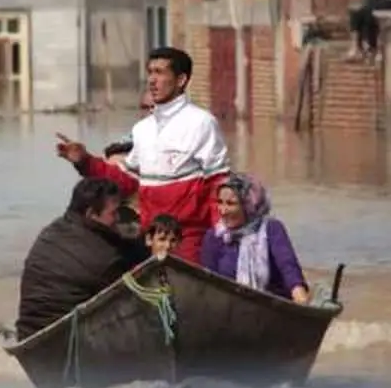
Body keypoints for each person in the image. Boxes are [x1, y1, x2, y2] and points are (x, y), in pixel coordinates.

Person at [55, 46, 230, 264]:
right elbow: (126, 183)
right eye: (150, 72)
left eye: (160, 72)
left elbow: (219, 185)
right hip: (150, 237)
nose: (152, 80)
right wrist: (85, 161)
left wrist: (224, 237)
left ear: (181, 80)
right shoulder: (142, 129)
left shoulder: (201, 123)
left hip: (187, 238)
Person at [14, 177, 146, 341]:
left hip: (28, 331)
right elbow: (131, 291)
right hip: (68, 339)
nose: (118, 218)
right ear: (91, 214)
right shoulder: (105, 258)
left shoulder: (53, 230)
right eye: (114, 213)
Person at [200, 173, 312, 304]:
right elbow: (209, 281)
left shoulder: (271, 229)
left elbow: (288, 267)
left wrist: (300, 297)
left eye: (231, 204)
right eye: (220, 202)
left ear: (248, 205)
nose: (223, 211)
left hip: (271, 306)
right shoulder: (215, 236)